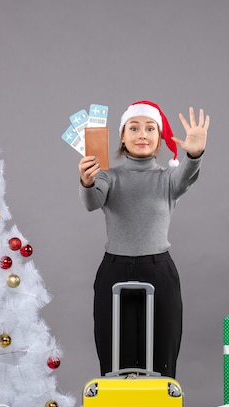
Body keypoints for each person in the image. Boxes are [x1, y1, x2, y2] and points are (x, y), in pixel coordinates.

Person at [78, 100, 209, 378]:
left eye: (150, 128)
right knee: (115, 355)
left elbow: (186, 176)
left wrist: (195, 154)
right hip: (114, 270)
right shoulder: (107, 176)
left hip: (158, 270)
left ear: (159, 138)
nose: (142, 134)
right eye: (134, 128)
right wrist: (87, 182)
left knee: (162, 354)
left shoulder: (167, 179)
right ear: (123, 137)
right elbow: (92, 201)